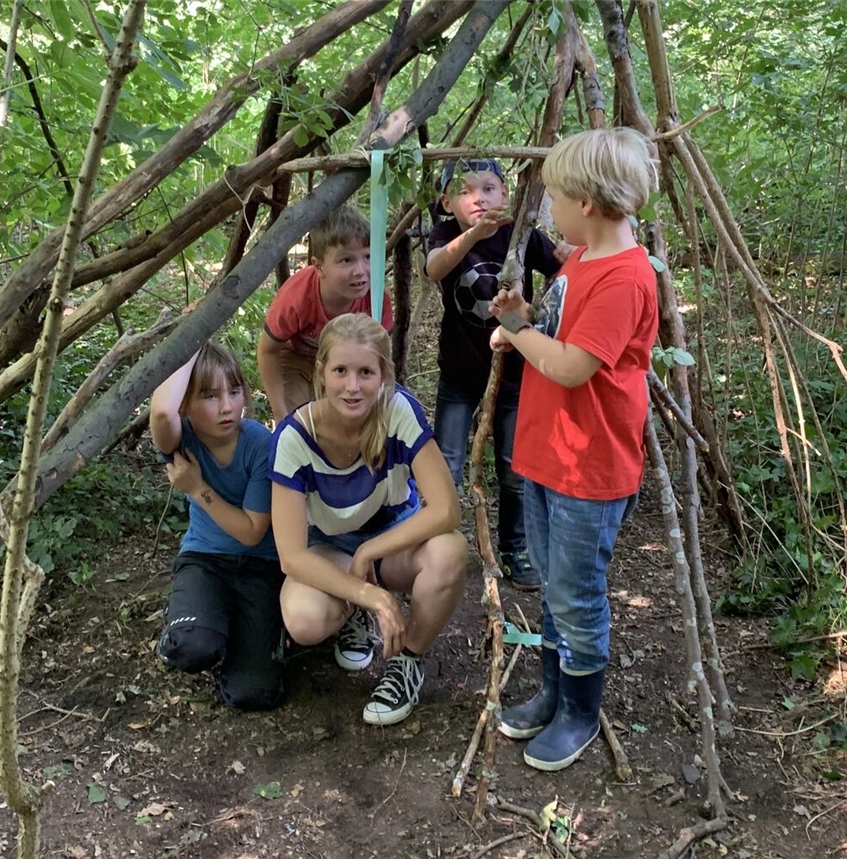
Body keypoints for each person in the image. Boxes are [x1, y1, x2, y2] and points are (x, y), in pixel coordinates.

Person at [488, 128, 659, 771]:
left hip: (588, 467)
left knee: (575, 593)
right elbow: (556, 334)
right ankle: (555, 692)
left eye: (555, 198)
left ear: (587, 200)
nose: (549, 211)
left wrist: (520, 330)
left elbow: (570, 366)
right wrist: (525, 327)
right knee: (556, 586)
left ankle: (580, 711)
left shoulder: (624, 279)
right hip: (547, 453)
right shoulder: (582, 259)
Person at [269, 313, 467, 726]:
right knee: (304, 619)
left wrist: (368, 552)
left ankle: (408, 661)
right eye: (340, 370)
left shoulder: (398, 411)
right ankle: (354, 611)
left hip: (393, 539)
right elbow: (291, 557)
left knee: (450, 551)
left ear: (384, 374)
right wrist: (370, 595)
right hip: (332, 547)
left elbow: (447, 509)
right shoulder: (293, 437)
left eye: (365, 372)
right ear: (321, 372)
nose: (353, 386)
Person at [425, 157, 568, 591]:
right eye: (466, 192)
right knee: (446, 463)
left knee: (513, 468)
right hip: (459, 374)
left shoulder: (518, 234)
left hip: (514, 375)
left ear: (505, 195)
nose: (478, 198)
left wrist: (538, 312)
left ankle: (514, 547)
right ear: (448, 202)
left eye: (488, 188)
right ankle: (440, 544)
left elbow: (562, 265)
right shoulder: (449, 234)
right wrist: (473, 236)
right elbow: (434, 268)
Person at [150, 341, 284, 711]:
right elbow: (161, 412)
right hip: (206, 561)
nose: (227, 407)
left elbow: (251, 531)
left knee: (254, 694)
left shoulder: (261, 444)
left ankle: (247, 638)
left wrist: (197, 488)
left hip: (262, 567)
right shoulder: (182, 440)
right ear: (187, 405)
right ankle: (194, 629)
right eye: (209, 396)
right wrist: (194, 339)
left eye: (235, 392)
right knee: (191, 647)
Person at [258, 205, 395, 424]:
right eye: (346, 260)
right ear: (319, 267)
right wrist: (281, 413)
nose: (360, 270)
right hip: (298, 360)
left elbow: (382, 359)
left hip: (350, 364)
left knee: (360, 420)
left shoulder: (376, 299)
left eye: (367, 257)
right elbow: (268, 351)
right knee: (301, 424)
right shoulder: (296, 298)